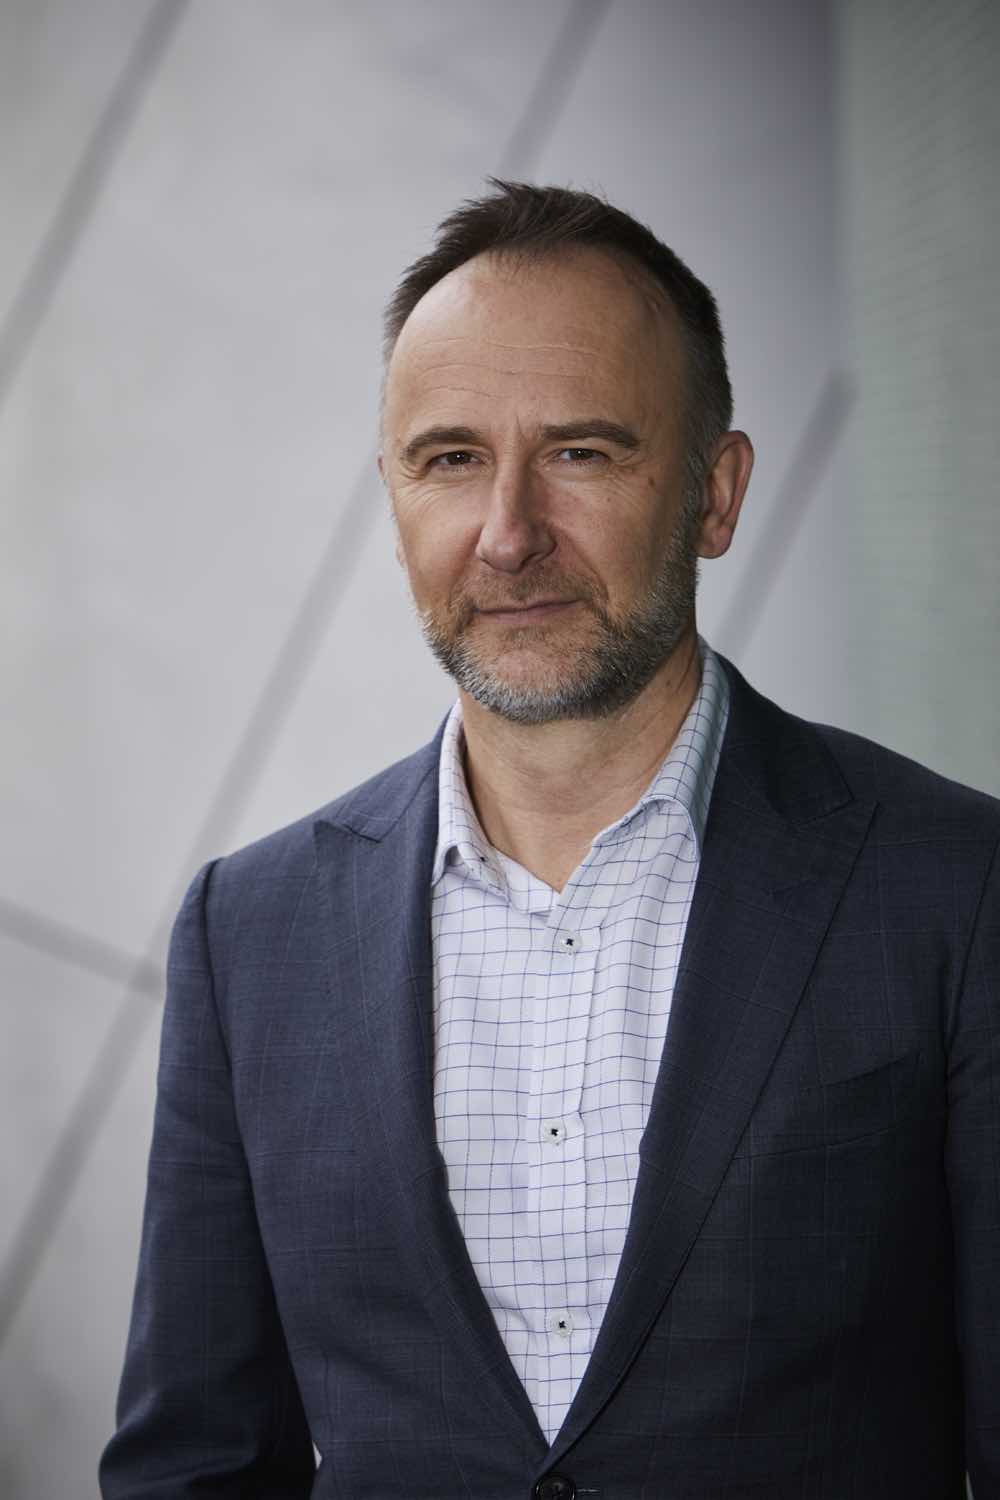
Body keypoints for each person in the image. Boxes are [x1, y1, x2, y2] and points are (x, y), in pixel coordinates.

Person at [100, 181, 999, 1500]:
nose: (509, 535)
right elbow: (196, 1464)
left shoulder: (956, 892)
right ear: (395, 498)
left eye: (581, 452)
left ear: (715, 495)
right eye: (451, 459)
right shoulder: (250, 933)